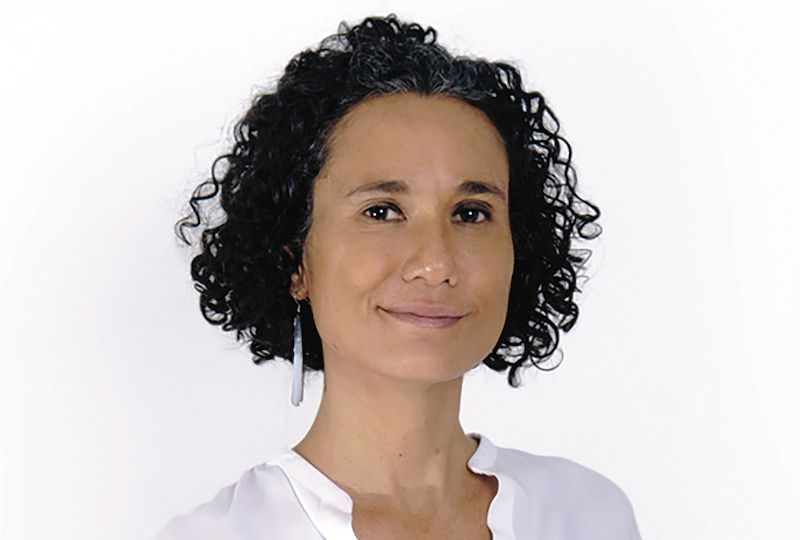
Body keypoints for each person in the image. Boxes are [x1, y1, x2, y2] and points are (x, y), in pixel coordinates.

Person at [156, 14, 641, 540]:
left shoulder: (588, 516)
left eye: (471, 213)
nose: (436, 262)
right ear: (295, 262)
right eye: (382, 211)